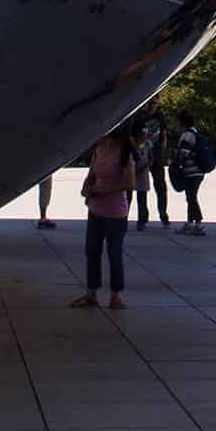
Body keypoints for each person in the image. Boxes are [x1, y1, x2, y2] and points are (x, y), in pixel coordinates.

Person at [73, 126, 135, 309]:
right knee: (92, 251)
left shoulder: (124, 153)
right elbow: (91, 175)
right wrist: (86, 188)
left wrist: (102, 191)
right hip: (95, 209)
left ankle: (116, 295)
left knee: (114, 253)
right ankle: (91, 293)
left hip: (116, 212)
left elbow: (128, 182)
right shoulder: (98, 150)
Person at [169, 109, 214, 235]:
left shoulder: (186, 135)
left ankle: (198, 223)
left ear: (181, 123)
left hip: (191, 171)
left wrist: (174, 157)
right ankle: (190, 223)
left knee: (191, 197)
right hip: (199, 171)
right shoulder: (196, 133)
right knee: (190, 197)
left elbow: (183, 153)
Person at [133, 109, 170, 231]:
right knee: (141, 188)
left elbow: (164, 134)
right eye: (150, 104)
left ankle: (163, 215)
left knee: (160, 186)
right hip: (142, 152)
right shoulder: (139, 115)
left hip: (156, 153)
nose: (151, 106)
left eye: (154, 103)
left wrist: (162, 151)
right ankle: (142, 218)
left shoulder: (160, 115)